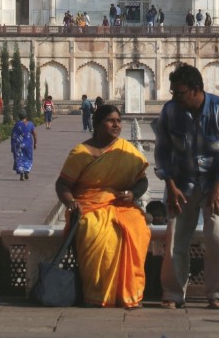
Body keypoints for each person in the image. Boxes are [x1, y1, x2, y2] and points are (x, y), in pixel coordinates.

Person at [154, 65, 219, 310]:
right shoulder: (170, 112)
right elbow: (162, 152)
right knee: (175, 235)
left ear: (196, 90)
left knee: (218, 234)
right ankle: (172, 292)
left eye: (179, 93)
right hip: (182, 181)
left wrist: (217, 187)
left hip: (218, 180)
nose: (174, 98)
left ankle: (217, 292)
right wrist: (170, 185)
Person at [55, 103, 151, 308]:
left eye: (118, 121)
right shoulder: (81, 153)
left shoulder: (126, 150)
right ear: (97, 124)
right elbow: (63, 184)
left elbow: (142, 181)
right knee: (94, 229)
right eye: (110, 121)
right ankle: (97, 294)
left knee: (138, 227)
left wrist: (133, 194)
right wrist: (71, 203)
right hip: (88, 206)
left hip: (120, 204)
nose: (116, 125)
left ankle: (129, 293)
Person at [11, 110, 37, 181]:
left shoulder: (17, 124)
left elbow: (13, 135)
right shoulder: (30, 124)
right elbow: (34, 134)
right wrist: (35, 144)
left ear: (19, 116)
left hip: (19, 145)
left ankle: (21, 174)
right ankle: (26, 171)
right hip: (28, 145)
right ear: (26, 116)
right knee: (28, 158)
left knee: (20, 159)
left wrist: (13, 146)